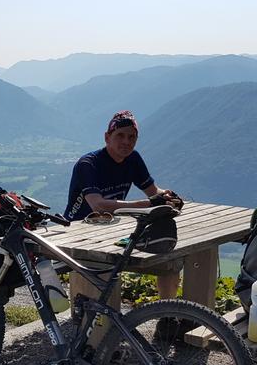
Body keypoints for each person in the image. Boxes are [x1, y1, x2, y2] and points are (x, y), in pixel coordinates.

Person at [64, 110, 182, 299]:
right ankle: (98, 324)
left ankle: (168, 321)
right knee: (104, 267)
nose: (126, 142)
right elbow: (98, 206)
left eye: (132, 137)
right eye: (120, 135)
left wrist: (168, 197)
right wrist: (149, 204)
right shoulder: (88, 164)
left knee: (170, 261)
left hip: (110, 229)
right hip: (78, 232)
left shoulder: (133, 159)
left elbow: (153, 191)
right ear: (107, 137)